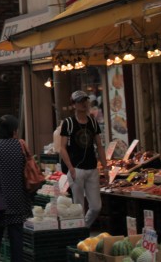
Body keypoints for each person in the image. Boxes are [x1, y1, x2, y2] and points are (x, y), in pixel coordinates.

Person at [0, 115, 31, 262]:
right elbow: (27, 171)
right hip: (18, 200)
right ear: (13, 130)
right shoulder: (20, 146)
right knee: (16, 241)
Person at [57, 90, 107, 228]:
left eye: (85, 100)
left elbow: (99, 146)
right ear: (73, 105)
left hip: (92, 168)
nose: (84, 104)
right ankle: (80, 233)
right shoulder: (69, 123)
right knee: (78, 206)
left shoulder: (93, 122)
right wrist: (71, 168)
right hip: (76, 169)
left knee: (96, 206)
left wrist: (105, 167)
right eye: (80, 101)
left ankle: (83, 227)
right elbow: (62, 148)